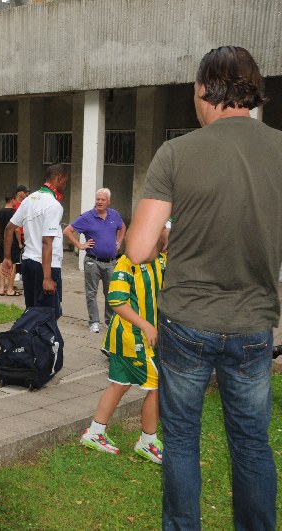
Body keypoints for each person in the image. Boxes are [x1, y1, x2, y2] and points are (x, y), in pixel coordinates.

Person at [127, 46, 282, 530]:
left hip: (188, 323)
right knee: (253, 442)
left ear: (203, 90)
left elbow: (137, 250)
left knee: (181, 439)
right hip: (254, 325)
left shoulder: (177, 152)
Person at [80, 233, 166, 465]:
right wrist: (146, 325)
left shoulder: (159, 260)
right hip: (131, 338)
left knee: (120, 384)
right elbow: (117, 302)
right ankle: (148, 442)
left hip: (137, 338)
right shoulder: (126, 265)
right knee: (157, 386)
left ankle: (95, 433)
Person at [1, 164, 69, 319]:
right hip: (45, 266)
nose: (65, 185)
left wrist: (7, 258)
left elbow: (9, 229)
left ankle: (31, 342)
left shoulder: (29, 199)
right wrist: (47, 277)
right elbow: (47, 241)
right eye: (65, 181)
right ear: (60, 178)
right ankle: (45, 343)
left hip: (28, 263)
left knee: (32, 312)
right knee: (49, 314)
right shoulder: (53, 205)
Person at [62, 188, 126, 333]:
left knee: (110, 293)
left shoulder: (114, 215)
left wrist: (119, 241)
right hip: (92, 261)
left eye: (103, 199)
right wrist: (80, 245)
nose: (99, 202)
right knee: (91, 293)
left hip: (110, 262)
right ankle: (94, 322)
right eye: (97, 199)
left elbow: (122, 227)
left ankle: (109, 321)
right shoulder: (87, 217)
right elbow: (67, 231)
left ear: (108, 201)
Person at [0, 185, 29, 296]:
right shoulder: (14, 213)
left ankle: (1, 288)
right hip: (12, 242)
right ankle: (10, 289)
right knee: (12, 264)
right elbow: (17, 230)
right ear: (13, 200)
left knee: (1, 263)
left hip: (1, 242)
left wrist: (0, 237)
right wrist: (19, 242)